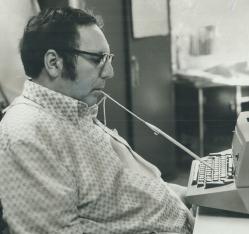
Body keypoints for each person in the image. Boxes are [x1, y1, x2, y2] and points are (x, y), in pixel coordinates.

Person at [0, 7, 194, 234]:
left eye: (108, 58)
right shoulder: (26, 134)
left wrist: (192, 196)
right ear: (54, 63)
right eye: (98, 59)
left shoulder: (75, 110)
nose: (109, 71)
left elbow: (127, 191)